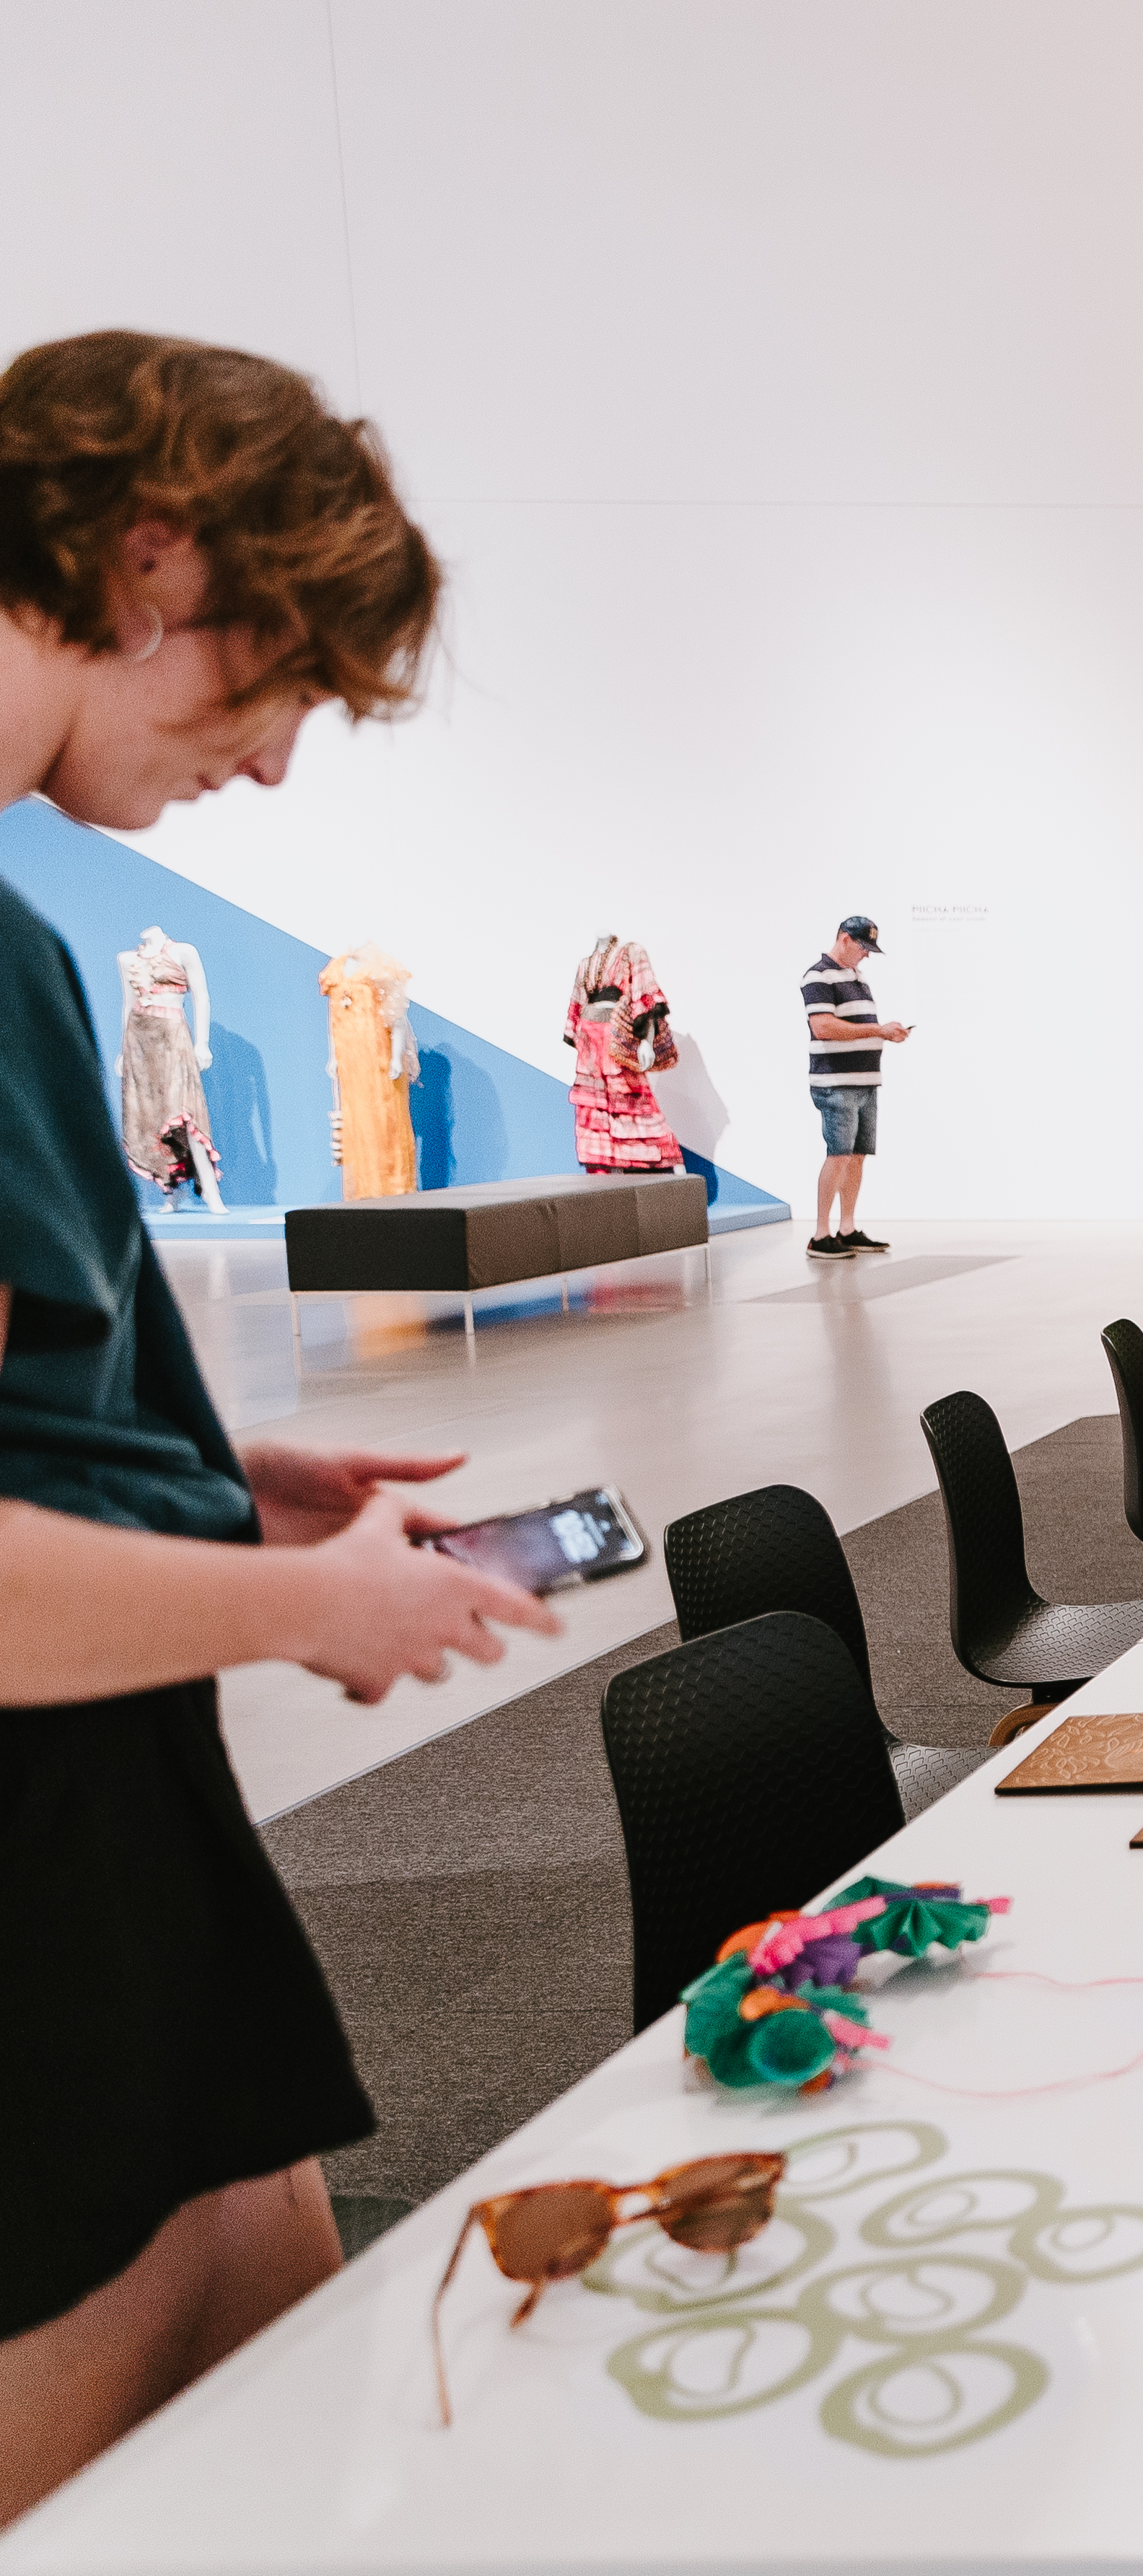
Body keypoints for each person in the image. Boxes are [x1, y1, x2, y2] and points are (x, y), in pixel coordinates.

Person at [0, 329, 563, 2526]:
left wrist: (223, 1491)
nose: (275, 759)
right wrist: (282, 1591)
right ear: (150, 555)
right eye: (284, 674)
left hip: (128, 1836)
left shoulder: (31, 951)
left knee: (298, 2419)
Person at [801, 914, 906, 1259]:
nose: (867, 955)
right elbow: (824, 1028)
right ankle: (820, 1234)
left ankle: (846, 1228)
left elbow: (854, 1026)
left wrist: (887, 1033)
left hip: (863, 1082)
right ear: (844, 938)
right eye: (863, 947)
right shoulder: (818, 975)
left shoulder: (857, 978)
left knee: (857, 1157)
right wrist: (878, 1031)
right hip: (836, 1083)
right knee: (839, 1155)